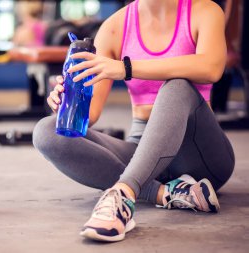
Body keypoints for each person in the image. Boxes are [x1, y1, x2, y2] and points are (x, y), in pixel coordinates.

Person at [33, 0, 235, 242]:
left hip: (199, 153)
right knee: (46, 130)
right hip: (142, 149)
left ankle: (123, 194)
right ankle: (162, 193)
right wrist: (65, 101)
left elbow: (211, 68)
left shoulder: (205, 11)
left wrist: (125, 68)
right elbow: (91, 114)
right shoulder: (114, 27)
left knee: (177, 85)